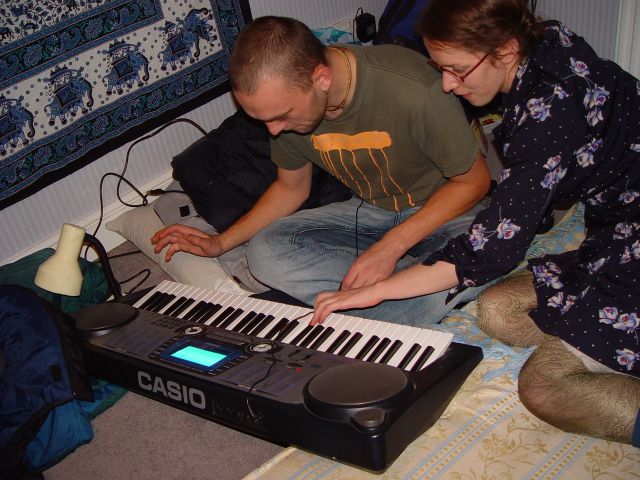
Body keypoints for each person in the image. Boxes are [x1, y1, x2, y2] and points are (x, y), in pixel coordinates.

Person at [311, 0, 640, 446]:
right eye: (440, 68)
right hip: (616, 234)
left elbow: (490, 250)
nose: (448, 84)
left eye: (458, 70)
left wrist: (378, 289)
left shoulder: (550, 111)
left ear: (506, 49)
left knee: (543, 387)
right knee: (497, 310)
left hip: (630, 248)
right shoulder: (546, 39)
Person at [152, 15, 492, 324]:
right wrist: (220, 242)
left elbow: (474, 181)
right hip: (371, 213)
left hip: (445, 211)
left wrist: (390, 248)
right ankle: (408, 286)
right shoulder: (285, 113)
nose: (274, 130)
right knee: (265, 253)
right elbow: (291, 188)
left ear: (322, 79)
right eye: (264, 120)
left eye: (282, 115)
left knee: (485, 252)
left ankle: (389, 296)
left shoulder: (413, 90)